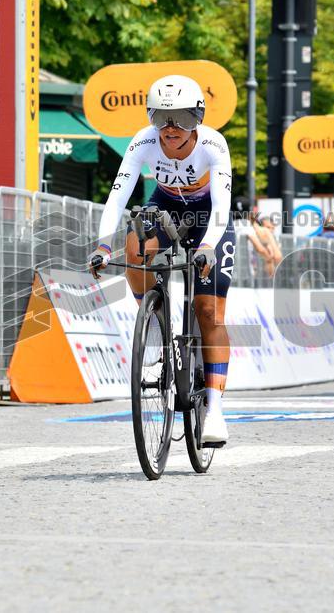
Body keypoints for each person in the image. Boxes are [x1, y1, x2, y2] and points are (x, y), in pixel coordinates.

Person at [89, 74, 234, 445]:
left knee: (209, 311)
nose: (170, 128)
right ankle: (155, 318)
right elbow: (117, 198)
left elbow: (221, 205)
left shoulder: (213, 145)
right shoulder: (143, 141)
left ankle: (215, 411)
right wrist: (102, 246)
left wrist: (208, 245)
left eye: (181, 118)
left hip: (207, 216)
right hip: (166, 205)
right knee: (134, 247)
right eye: (160, 117)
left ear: (197, 118)